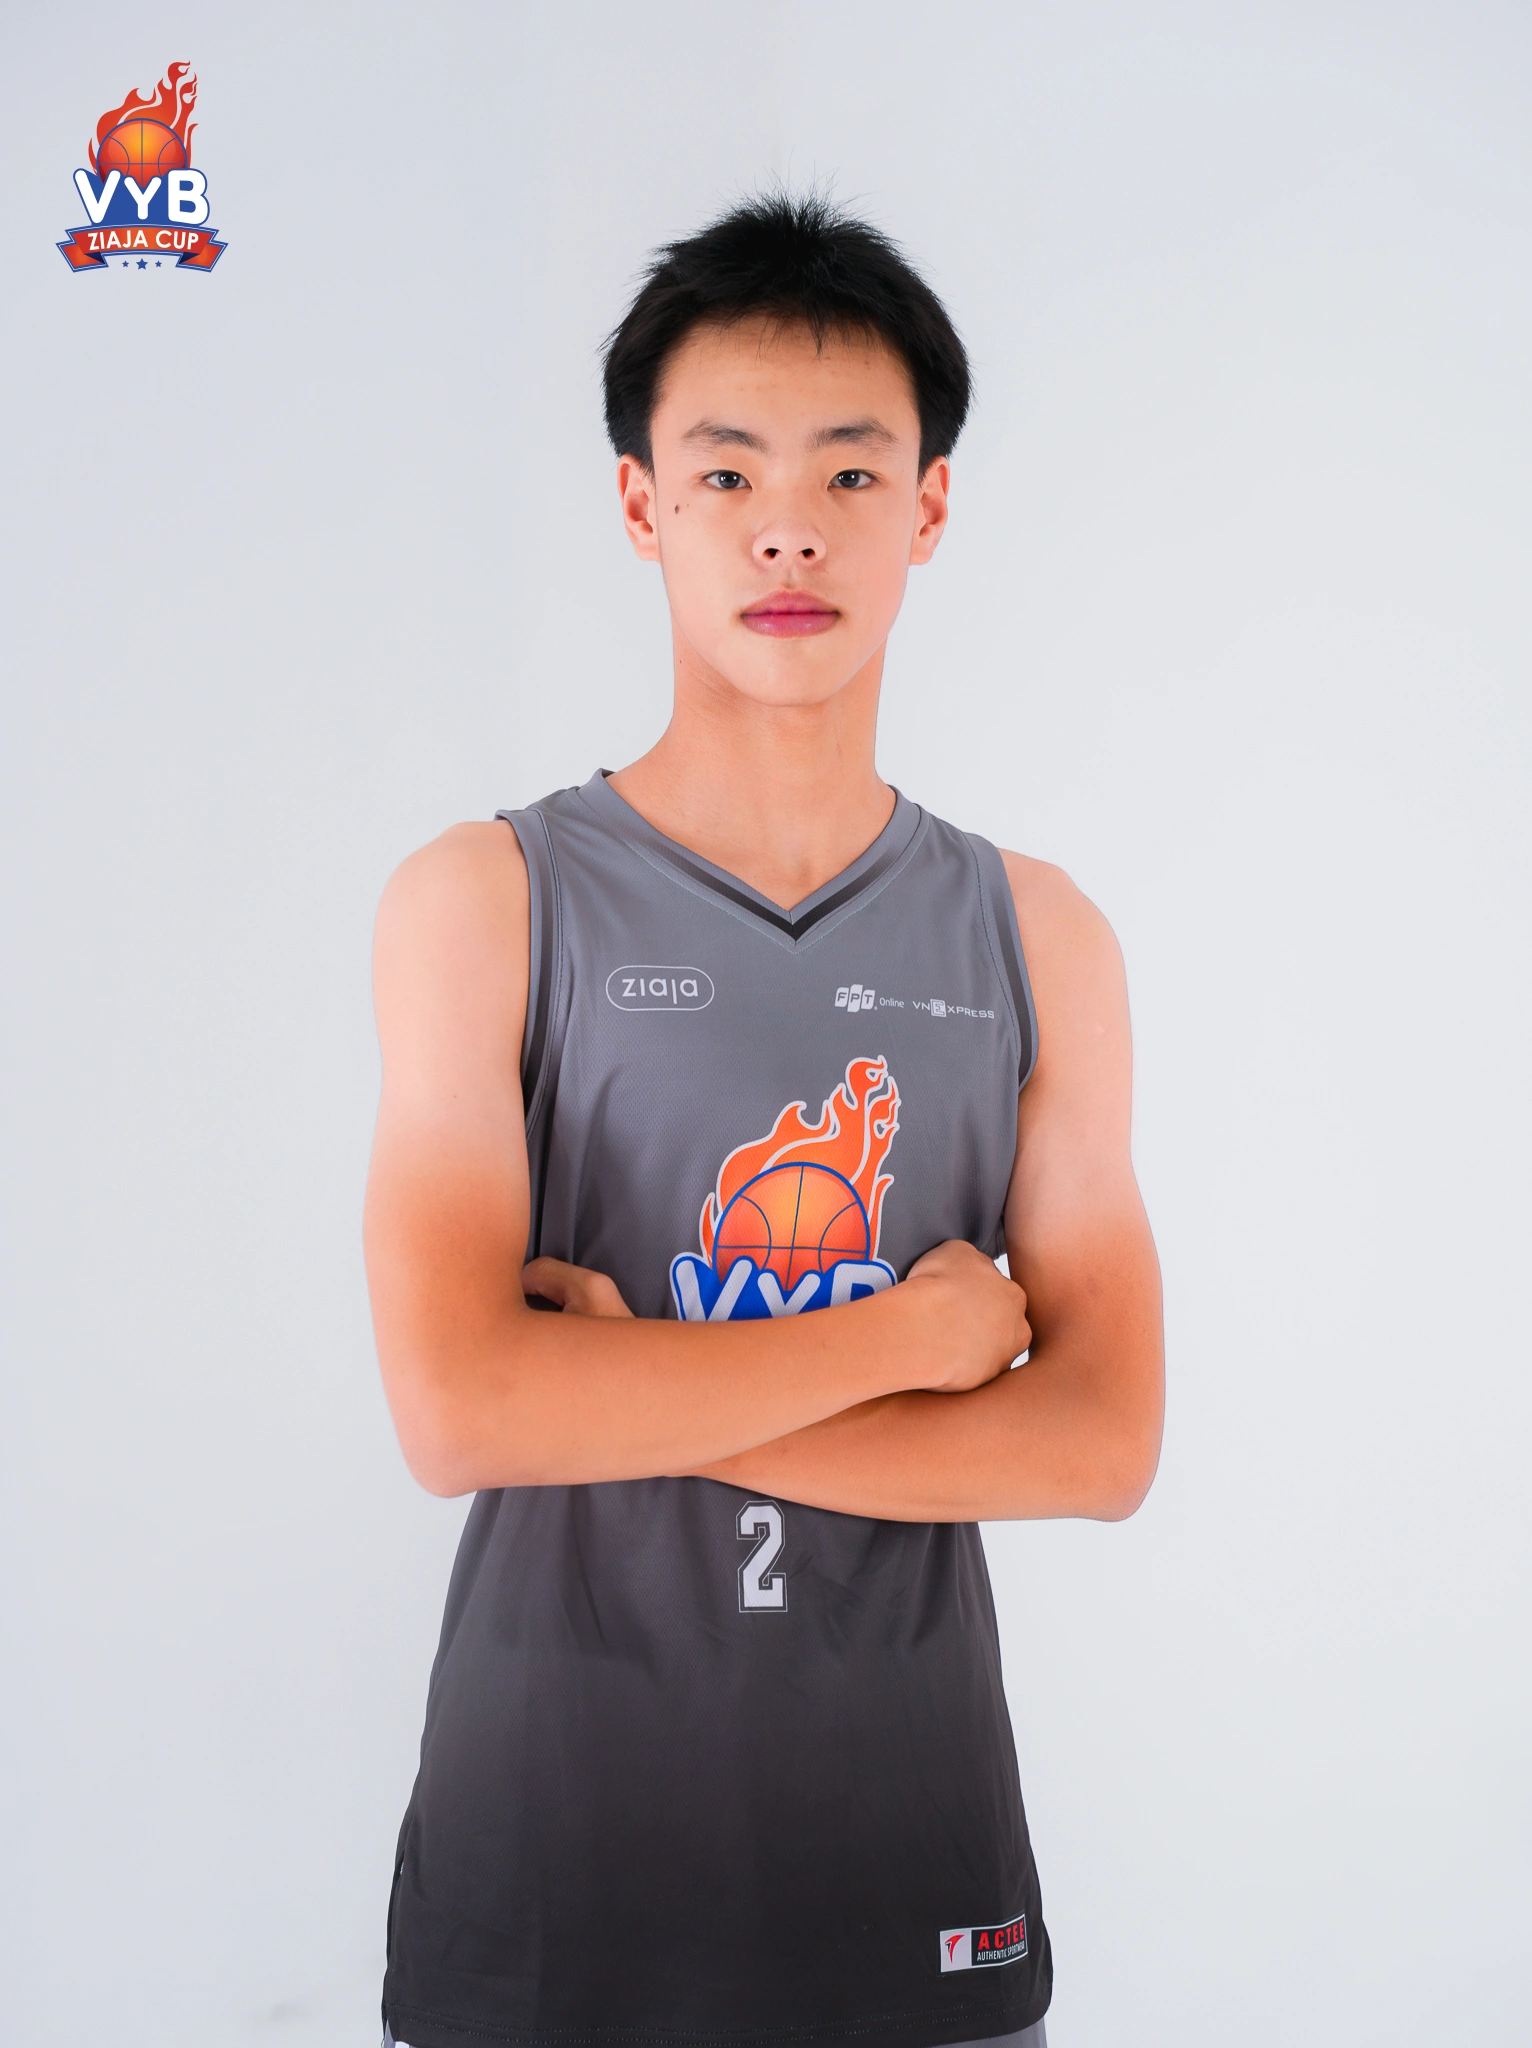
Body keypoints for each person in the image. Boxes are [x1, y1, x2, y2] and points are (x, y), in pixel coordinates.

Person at [365, 193, 1164, 2048]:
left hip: (920, 1888)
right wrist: (911, 1341)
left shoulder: (1038, 933)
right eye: (726, 474)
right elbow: (464, 1411)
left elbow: (1102, 1442)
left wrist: (622, 1390)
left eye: (850, 474)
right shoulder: (484, 900)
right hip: (546, 1889)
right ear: (641, 506)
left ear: (929, 508)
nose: (788, 527)